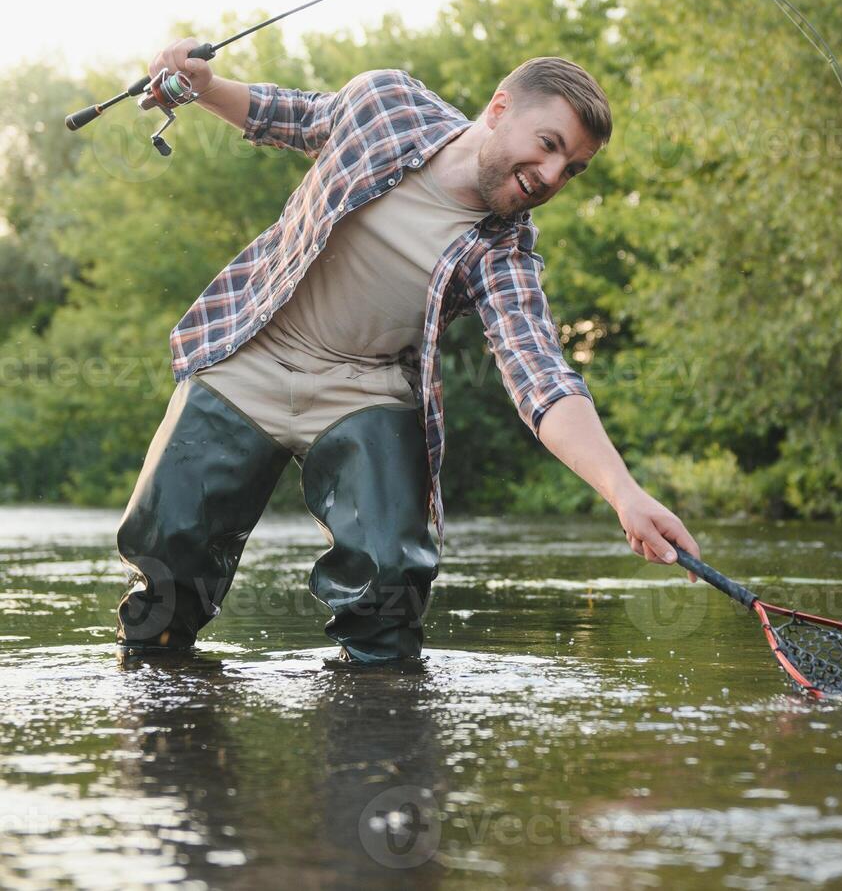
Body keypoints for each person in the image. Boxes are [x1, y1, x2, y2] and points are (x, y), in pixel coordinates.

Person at [114, 38, 701, 664]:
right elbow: (292, 115)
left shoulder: (504, 251)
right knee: (165, 567)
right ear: (500, 107)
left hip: (366, 388)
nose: (552, 177)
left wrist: (625, 494)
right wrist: (200, 85)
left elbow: (542, 378)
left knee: (390, 588)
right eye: (550, 145)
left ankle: (378, 740)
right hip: (251, 353)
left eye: (572, 169)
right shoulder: (387, 104)